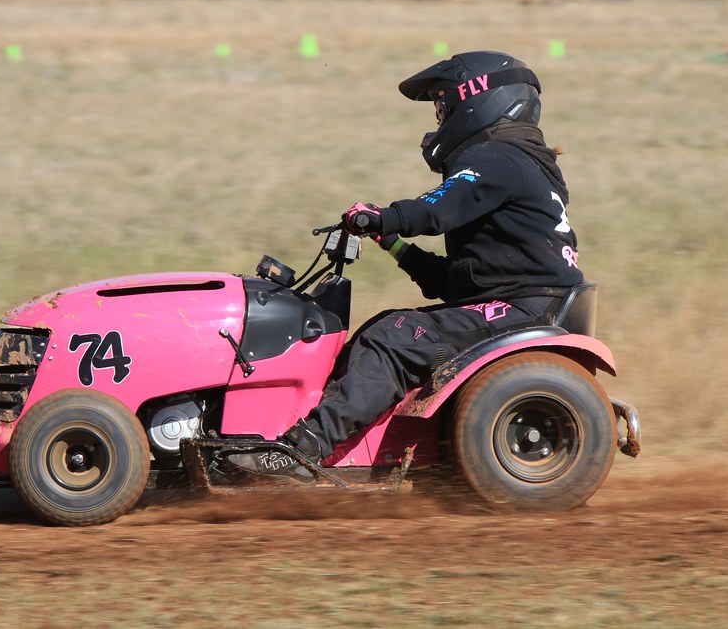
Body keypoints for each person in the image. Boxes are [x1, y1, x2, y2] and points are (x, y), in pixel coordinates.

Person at [229, 50, 584, 482]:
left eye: (443, 105)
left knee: (392, 337)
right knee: (384, 327)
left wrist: (383, 217)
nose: (439, 117)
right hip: (524, 303)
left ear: (477, 100)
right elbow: (454, 282)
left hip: (523, 308)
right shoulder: (520, 163)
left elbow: (439, 209)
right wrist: (393, 243)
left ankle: (304, 451)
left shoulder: (497, 157)